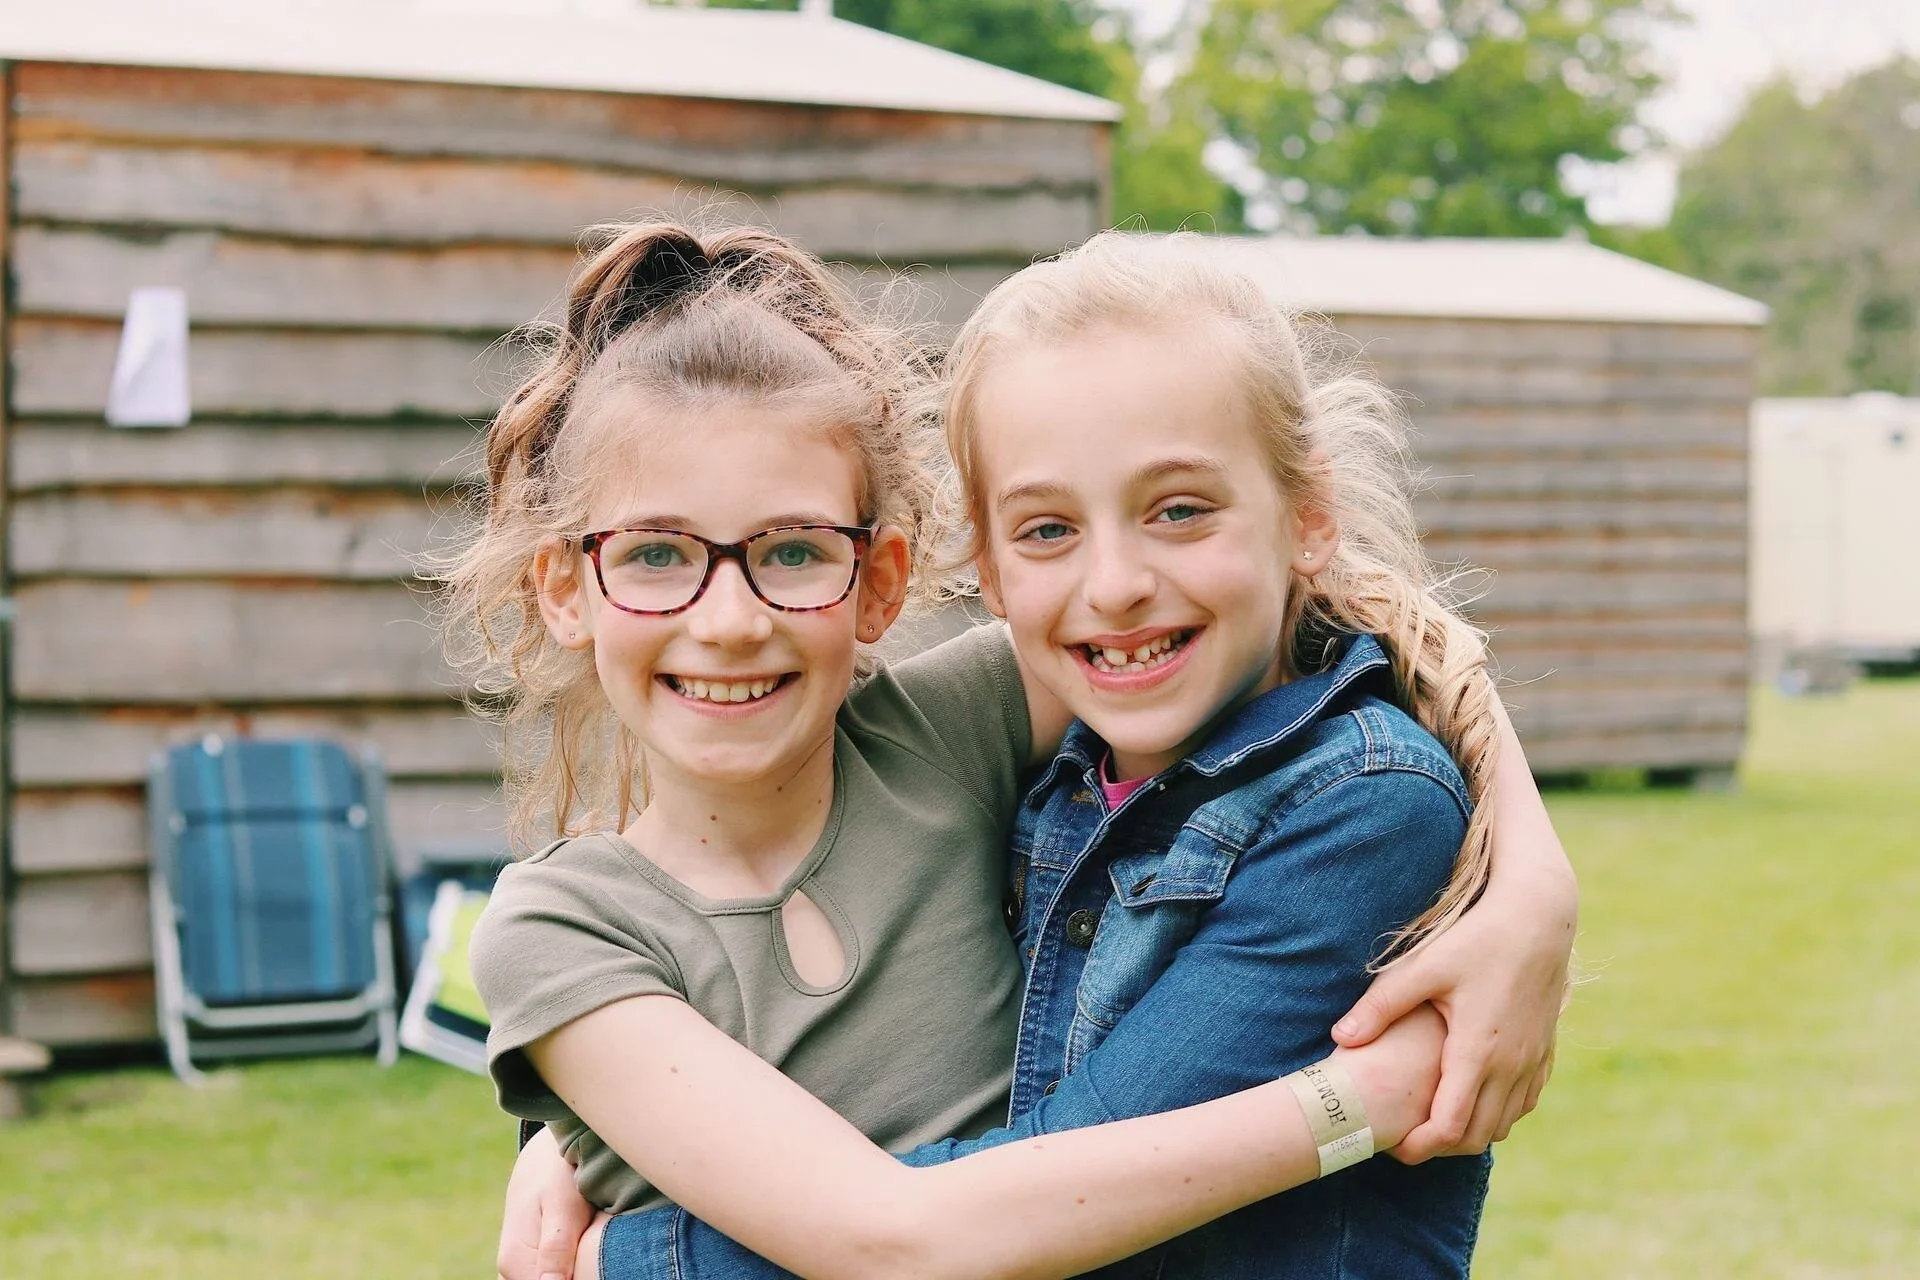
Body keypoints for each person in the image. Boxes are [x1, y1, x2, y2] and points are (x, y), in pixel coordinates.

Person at [460, 223, 1576, 1280]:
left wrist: (1533, 883)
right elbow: (891, 1241)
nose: (730, 619)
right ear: (565, 586)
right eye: (655, 554)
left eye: (792, 550)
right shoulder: (563, 928)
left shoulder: (939, 738)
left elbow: (1325, 608)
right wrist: (1358, 1102)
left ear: (880, 581)